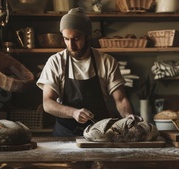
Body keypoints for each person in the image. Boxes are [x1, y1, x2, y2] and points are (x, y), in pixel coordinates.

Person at [36, 7, 134, 137]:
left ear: (87, 36)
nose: (71, 45)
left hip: (100, 133)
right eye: (66, 39)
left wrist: (128, 117)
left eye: (76, 39)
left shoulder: (106, 61)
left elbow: (121, 99)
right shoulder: (56, 62)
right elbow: (47, 103)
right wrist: (73, 113)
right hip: (65, 135)